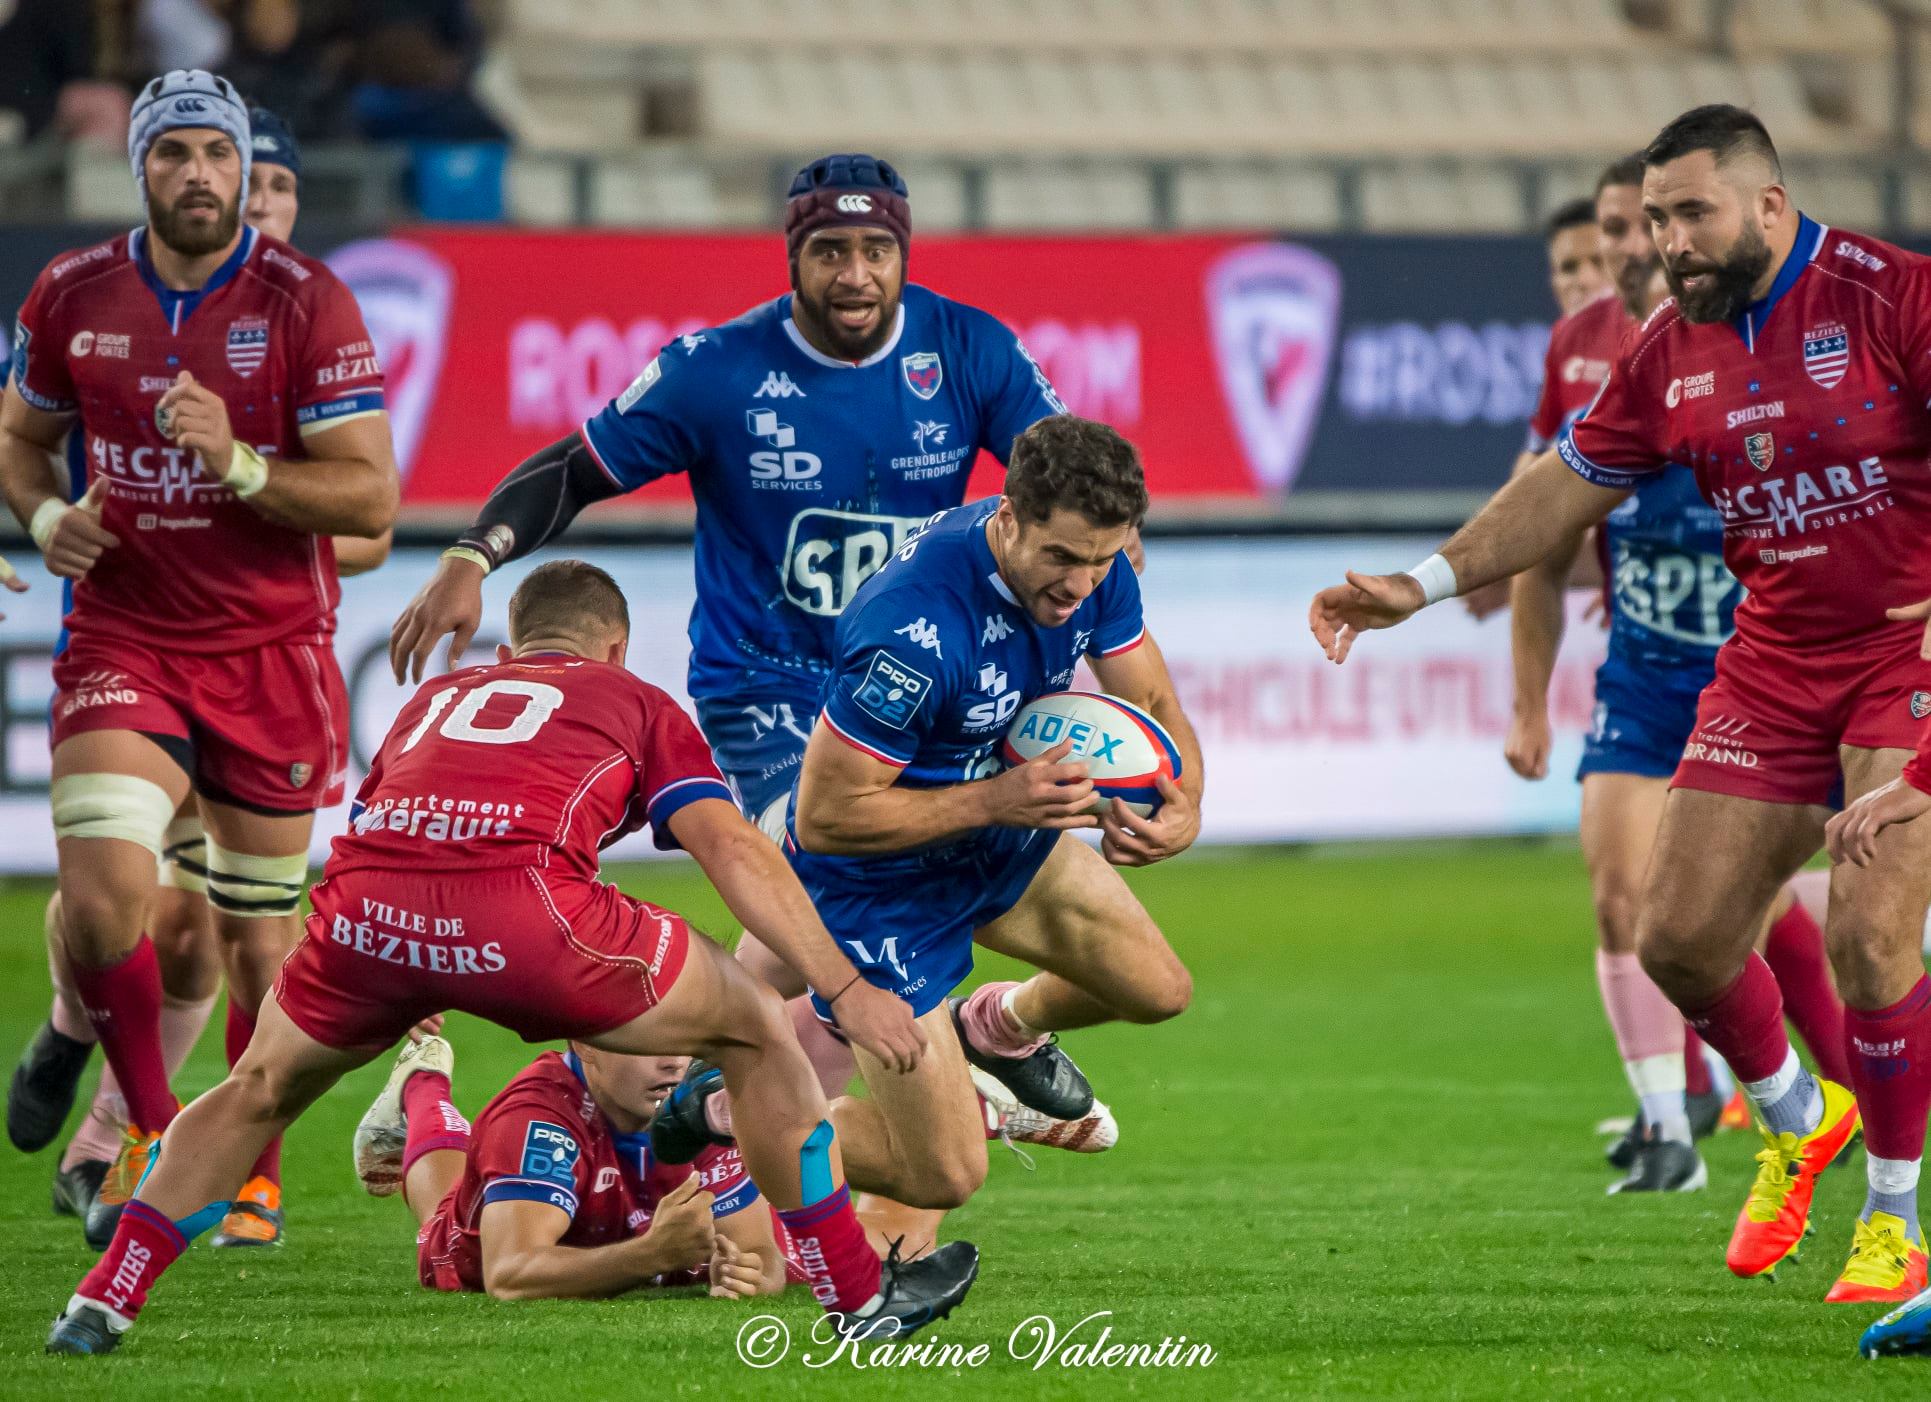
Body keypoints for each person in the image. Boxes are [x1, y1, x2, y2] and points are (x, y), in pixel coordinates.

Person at [387, 152, 1078, 1237]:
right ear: (792, 256)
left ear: (903, 254)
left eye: (874, 249)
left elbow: (1065, 488)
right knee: (835, 882)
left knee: (899, 920)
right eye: (829, 251)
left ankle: (918, 1050)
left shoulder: (970, 350)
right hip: (772, 699)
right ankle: (902, 1082)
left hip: (917, 699)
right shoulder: (717, 369)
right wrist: (475, 554)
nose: (854, 273)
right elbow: (572, 466)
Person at [1310, 104, 1931, 1304]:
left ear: (1766, 203)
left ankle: (1895, 1217)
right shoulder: (1664, 350)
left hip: (1903, 657)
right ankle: (1799, 1119)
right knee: (1677, 939)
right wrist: (1420, 585)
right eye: (1651, 220)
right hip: (1767, 660)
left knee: (1865, 933)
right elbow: (1560, 493)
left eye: (1687, 214)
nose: (1663, 243)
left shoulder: (1890, 299)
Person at [45, 560, 973, 1355]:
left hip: (366, 917)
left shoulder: (433, 700)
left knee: (254, 1089)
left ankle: (105, 1296)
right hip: (528, 918)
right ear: (614, 648)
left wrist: (414, 960)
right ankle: (857, 1298)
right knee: (753, 1034)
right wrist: (841, 986)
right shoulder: (636, 700)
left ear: (507, 652)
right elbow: (729, 848)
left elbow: (382, 829)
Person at [0, 70, 397, 1257]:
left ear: (242, 172)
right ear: (141, 168)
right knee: (110, 889)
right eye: (172, 153)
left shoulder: (306, 300)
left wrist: (236, 465)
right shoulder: (73, 291)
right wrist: (38, 518)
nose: (199, 175)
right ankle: (162, 1133)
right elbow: (20, 444)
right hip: (123, 636)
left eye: (216, 157)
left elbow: (370, 495)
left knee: (249, 944)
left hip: (270, 654)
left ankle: (237, 1163)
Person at [655, 417, 1196, 1240]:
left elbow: (1151, 704)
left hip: (997, 834)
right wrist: (999, 801)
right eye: (1061, 558)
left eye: (1100, 559)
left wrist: (1183, 800)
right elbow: (827, 819)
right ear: (1009, 519)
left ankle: (997, 1030)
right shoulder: (911, 633)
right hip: (879, 888)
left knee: (1158, 991)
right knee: (943, 1174)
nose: (1079, 584)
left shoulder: (1094, 566)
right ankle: (735, 1108)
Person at [1507, 155, 1849, 1193]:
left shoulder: (1772, 351)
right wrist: (1523, 695)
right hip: (1648, 679)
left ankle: (1841, 1110)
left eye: (1632, 227)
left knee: (1800, 910)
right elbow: (1538, 517)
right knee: (1632, 900)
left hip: (1776, 678)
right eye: (1607, 232)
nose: (1617, 251)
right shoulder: (1582, 355)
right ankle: (1675, 1120)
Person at [354, 1036, 803, 1300]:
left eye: (682, 1039)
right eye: (646, 1043)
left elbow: (761, 1253)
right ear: (586, 1044)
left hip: (620, 1226)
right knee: (443, 1209)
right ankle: (423, 1084)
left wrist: (750, 1274)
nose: (674, 1061)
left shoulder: (701, 1100)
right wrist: (650, 1255)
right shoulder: (535, 1120)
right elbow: (511, 1273)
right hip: (475, 1254)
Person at [1459, 196, 1611, 622]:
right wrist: (1493, 553)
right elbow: (1532, 467)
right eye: (1568, 267)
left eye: (1597, 262)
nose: (1583, 279)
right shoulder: (1564, 345)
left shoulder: (1655, 343)